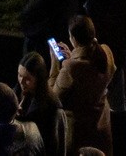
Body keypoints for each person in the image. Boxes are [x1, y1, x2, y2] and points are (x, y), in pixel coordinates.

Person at [49, 13, 111, 155]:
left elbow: (53, 96)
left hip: (80, 130)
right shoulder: (105, 53)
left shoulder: (71, 69)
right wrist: (73, 57)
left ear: (74, 39)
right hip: (101, 123)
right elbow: (91, 77)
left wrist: (55, 64)